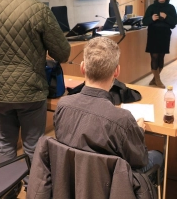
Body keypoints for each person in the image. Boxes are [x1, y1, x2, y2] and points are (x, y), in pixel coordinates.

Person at [0, 0, 71, 189]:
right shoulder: (37, 9)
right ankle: (34, 187)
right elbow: (63, 53)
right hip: (30, 90)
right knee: (33, 145)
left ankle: (8, 188)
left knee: (5, 143)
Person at [53, 37, 163, 184]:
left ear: (82, 68)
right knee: (157, 156)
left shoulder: (63, 105)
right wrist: (138, 131)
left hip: (73, 182)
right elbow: (140, 160)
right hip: (111, 185)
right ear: (117, 71)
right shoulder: (122, 119)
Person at [143, 0, 177, 88]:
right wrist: (151, 18)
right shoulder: (151, 7)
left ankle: (155, 79)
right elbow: (144, 21)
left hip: (164, 34)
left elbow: (174, 22)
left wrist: (166, 17)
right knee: (154, 56)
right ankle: (158, 80)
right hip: (153, 34)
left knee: (161, 57)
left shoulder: (171, 8)